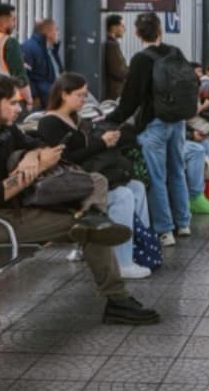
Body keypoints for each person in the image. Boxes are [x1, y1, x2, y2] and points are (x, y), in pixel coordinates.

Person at [0, 74, 159, 323]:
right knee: (90, 229)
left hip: (25, 206)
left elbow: (39, 144)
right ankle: (118, 299)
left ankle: (95, 217)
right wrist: (36, 167)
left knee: (96, 185)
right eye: (13, 103)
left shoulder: (5, 130)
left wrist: (30, 156)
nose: (20, 108)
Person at [36, 73, 152, 279]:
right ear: (64, 94)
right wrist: (102, 143)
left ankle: (139, 247)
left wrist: (106, 140)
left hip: (89, 175)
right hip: (71, 182)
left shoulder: (75, 118)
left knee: (137, 187)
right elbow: (66, 159)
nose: (84, 100)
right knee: (123, 195)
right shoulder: (50, 123)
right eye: (79, 95)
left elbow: (86, 148)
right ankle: (121, 262)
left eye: (85, 95)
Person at [106, 13, 192, 248]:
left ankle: (165, 230)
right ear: (160, 31)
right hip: (178, 122)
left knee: (157, 177)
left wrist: (110, 120)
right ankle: (183, 223)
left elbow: (129, 101)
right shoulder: (175, 52)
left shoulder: (141, 60)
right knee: (177, 170)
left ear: (137, 33)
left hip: (155, 124)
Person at [22, 18, 64, 109]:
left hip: (53, 97)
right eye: (56, 29)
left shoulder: (50, 49)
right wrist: (34, 96)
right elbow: (25, 75)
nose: (58, 33)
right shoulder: (29, 48)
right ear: (48, 32)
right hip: (42, 100)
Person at [104, 14, 129, 101]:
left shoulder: (110, 43)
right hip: (114, 94)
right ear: (114, 28)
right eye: (122, 26)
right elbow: (118, 71)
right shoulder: (112, 45)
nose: (124, 29)